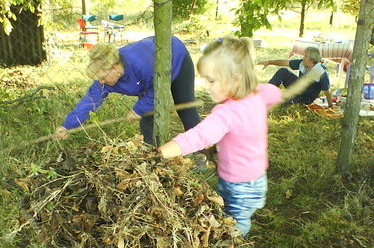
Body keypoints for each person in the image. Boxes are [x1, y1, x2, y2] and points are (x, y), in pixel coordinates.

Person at [158, 36, 283, 237]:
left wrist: (161, 153)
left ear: (235, 77)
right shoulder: (258, 93)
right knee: (230, 214)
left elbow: (198, 136)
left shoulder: (227, 113)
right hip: (256, 177)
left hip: (239, 185)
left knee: (235, 222)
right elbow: (274, 93)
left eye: (211, 80)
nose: (206, 86)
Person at [54, 36, 201, 145]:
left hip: (175, 58)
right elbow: (89, 101)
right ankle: (152, 151)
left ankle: (202, 151)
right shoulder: (105, 79)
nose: (101, 82)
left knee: (185, 106)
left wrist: (138, 109)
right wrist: (67, 126)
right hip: (151, 77)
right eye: (99, 78)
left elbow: (157, 90)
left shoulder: (140, 64)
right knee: (147, 116)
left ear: (116, 68)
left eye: (104, 77)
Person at [257, 47, 333, 107]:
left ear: (312, 59)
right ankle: (266, 93)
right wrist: (269, 62)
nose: (303, 57)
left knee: (282, 101)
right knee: (283, 71)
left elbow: (327, 91)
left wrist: (330, 106)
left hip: (305, 98)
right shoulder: (302, 63)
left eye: (305, 56)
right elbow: (285, 63)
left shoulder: (321, 72)